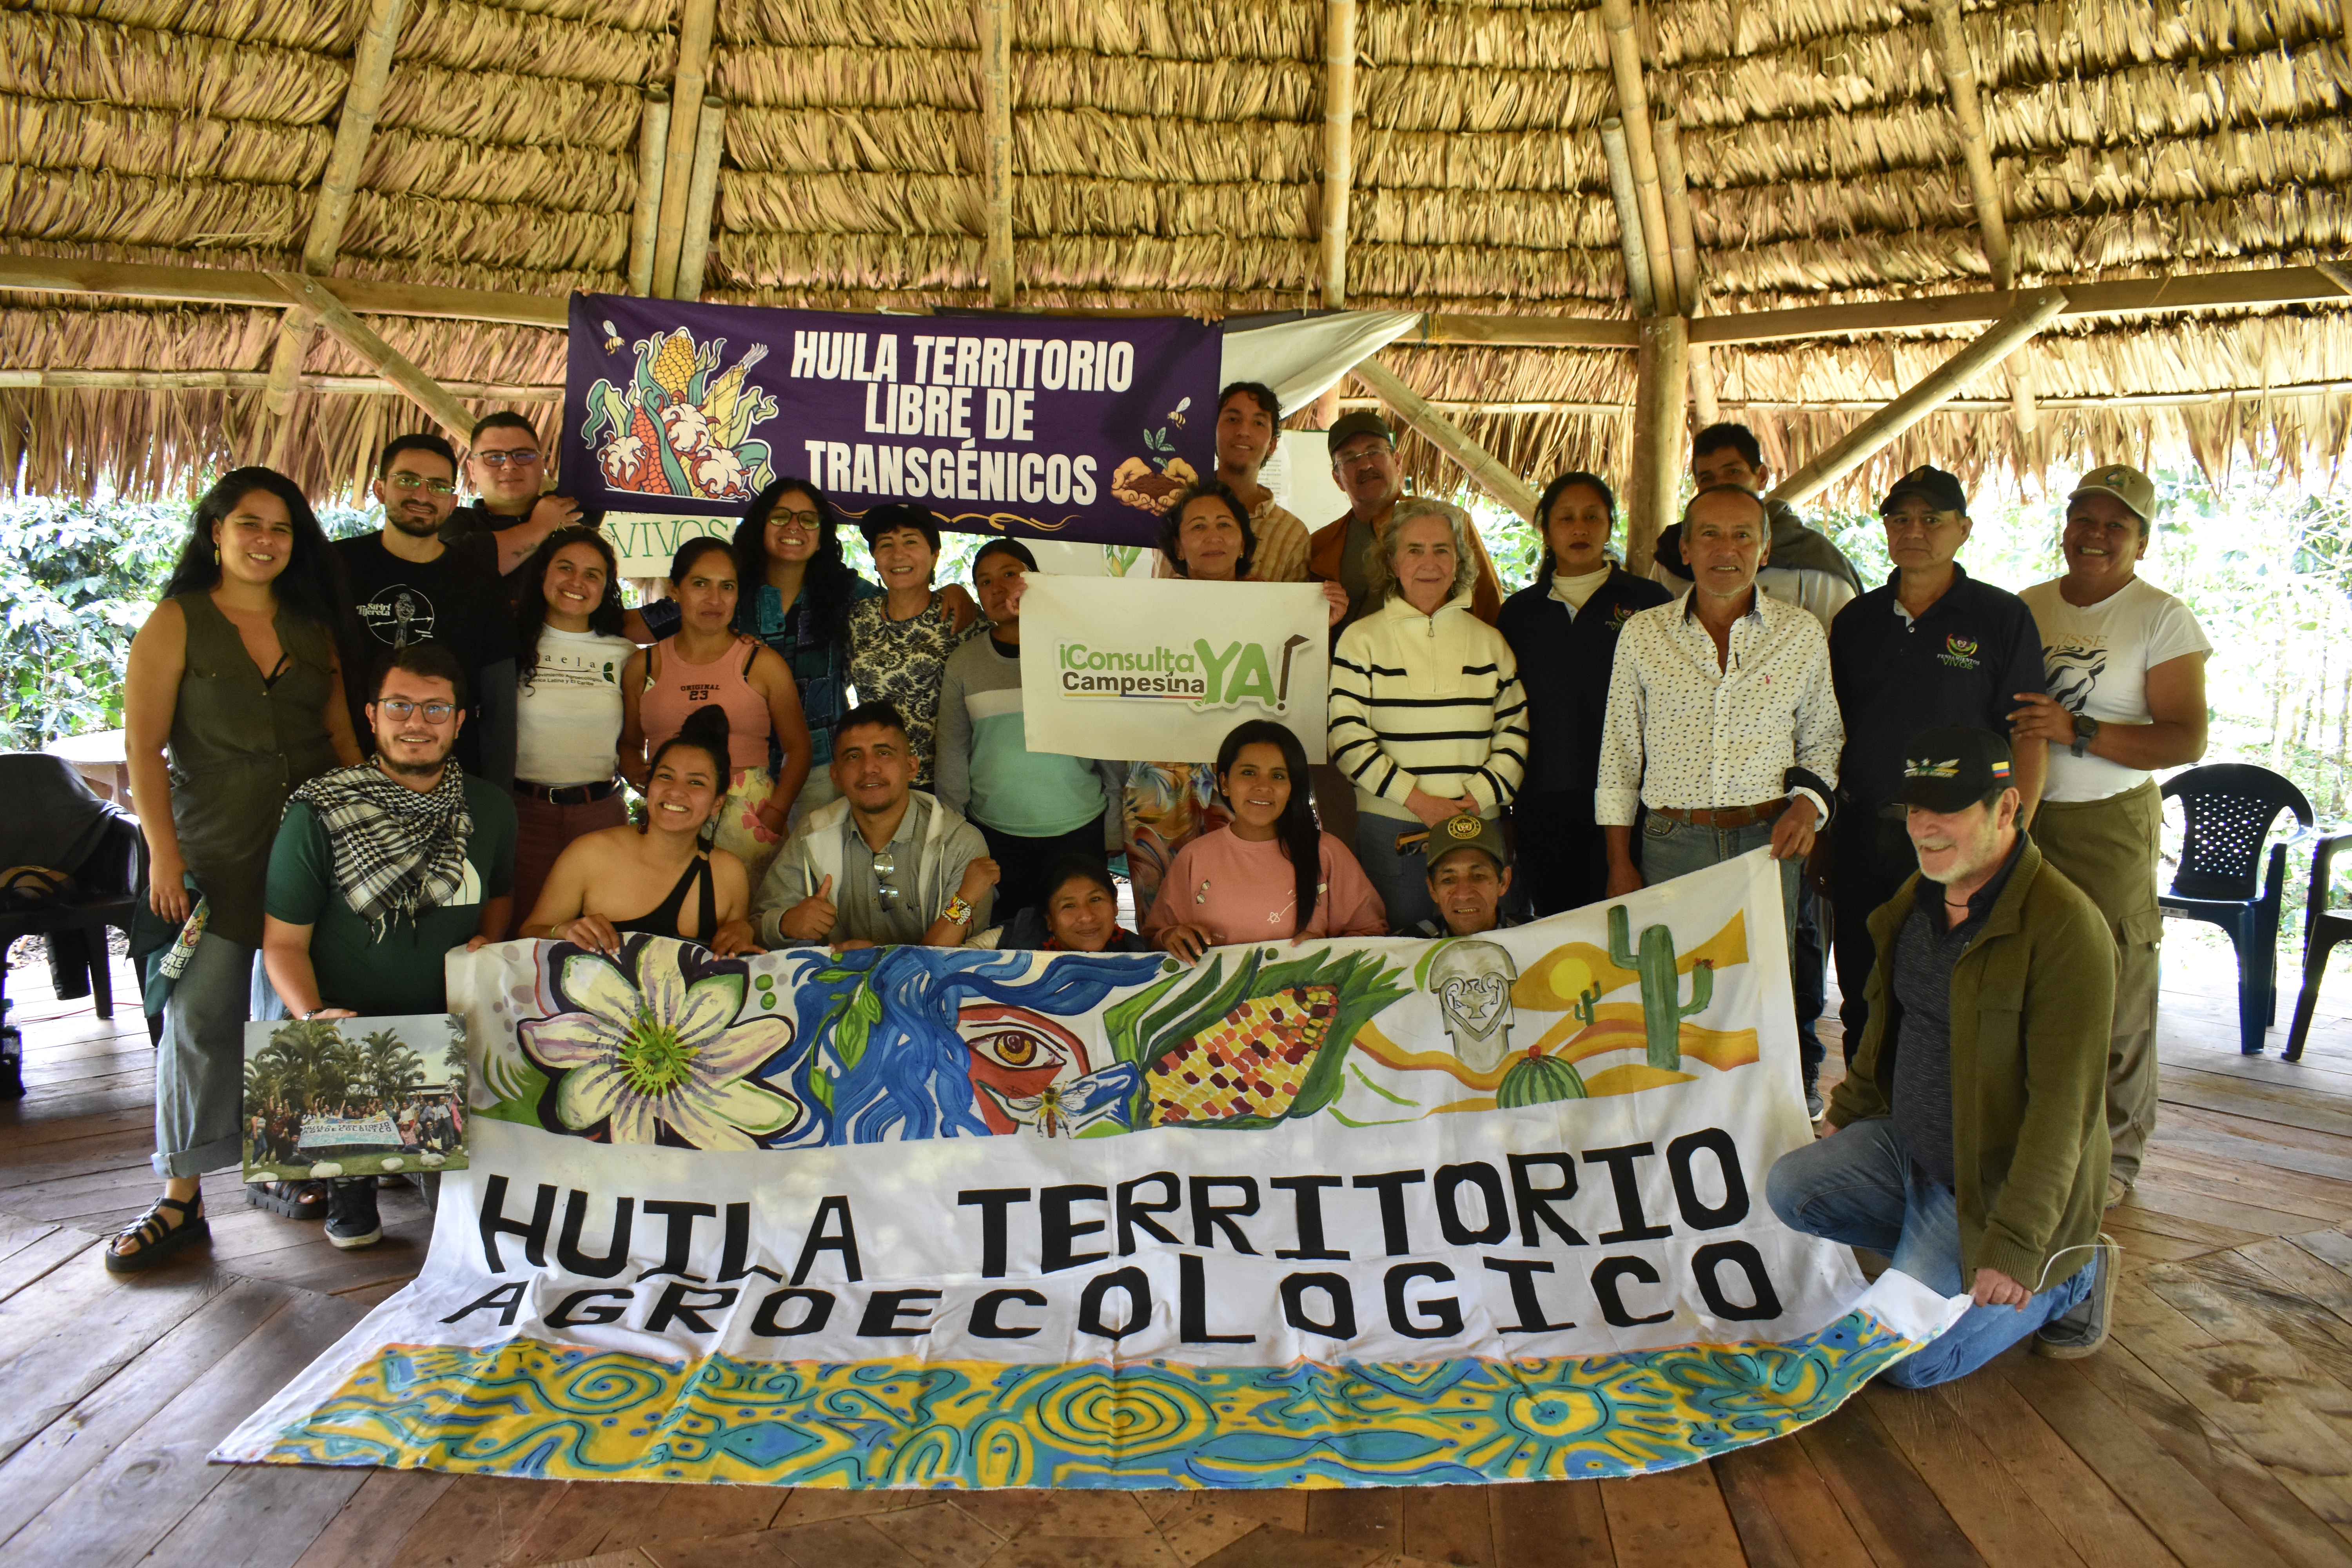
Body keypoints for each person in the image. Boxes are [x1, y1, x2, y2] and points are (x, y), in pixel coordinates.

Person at [1766, 726, 2117, 1386]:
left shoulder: (2068, 930)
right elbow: (1882, 1023)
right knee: (1793, 1187)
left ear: (2007, 809)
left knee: (1913, 1366)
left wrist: (2013, 1247)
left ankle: (2072, 1275)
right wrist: (1853, 1108)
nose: (1924, 827)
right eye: (1917, 809)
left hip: (1992, 1187)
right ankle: (1934, 1258)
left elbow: (2062, 1113)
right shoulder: (1917, 899)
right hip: (1915, 1154)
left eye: (1949, 810)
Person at [109, 468, 364, 1272]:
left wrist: (364, 837)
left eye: (282, 528)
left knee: (308, 1012)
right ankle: (181, 1198)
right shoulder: (177, 621)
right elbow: (141, 748)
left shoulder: (312, 629)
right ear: (214, 531)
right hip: (210, 854)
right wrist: (165, 854)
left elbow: (344, 741)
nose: (265, 539)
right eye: (249, 522)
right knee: (200, 1018)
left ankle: (303, 1173)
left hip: (310, 847)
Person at [261, 642, 517, 1249]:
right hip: (351, 1033)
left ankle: (418, 1156)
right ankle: (353, 1182)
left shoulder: (490, 808)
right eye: (400, 706)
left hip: (449, 1033)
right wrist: (313, 1020)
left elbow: (500, 896)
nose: (416, 723)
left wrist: (493, 940)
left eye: (435, 710)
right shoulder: (319, 812)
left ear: (460, 722)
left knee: (456, 1219)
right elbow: (281, 943)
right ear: (371, 716)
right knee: (357, 1236)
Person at [2011, 464, 2210, 1206]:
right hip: (2025, 817)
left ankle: (2119, 1158)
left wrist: (2078, 730)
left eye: (2115, 525)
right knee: (2030, 980)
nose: (2095, 536)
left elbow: (2184, 738)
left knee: (2119, 985)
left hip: (2111, 822)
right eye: (2084, 520)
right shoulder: (2026, 607)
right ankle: (2041, 1142)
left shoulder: (2161, 616)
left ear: (2142, 540)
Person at [1828, 467, 2049, 1090]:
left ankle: (1942, 1128)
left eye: (1932, 520)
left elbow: (2028, 732)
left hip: (1959, 839)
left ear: (1964, 530)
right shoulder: (1856, 621)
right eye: (1900, 520)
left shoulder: (2001, 618)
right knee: (1862, 980)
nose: (1915, 533)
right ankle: (1866, 1107)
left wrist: (2016, 836)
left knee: (1950, 984)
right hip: (1864, 828)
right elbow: (1829, 731)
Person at [1597, 485, 1842, 966]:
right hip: (1671, 845)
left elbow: (1824, 738)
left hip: (1767, 842)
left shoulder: (1801, 634)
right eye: (1709, 534)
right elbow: (1619, 755)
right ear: (1685, 548)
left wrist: (1808, 808)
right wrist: (1619, 862)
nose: (1726, 550)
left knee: (1764, 999)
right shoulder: (1644, 634)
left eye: (1742, 536)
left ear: (1764, 549)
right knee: (1675, 995)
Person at [1126, 480, 1347, 920]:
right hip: (1161, 778)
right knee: (1164, 905)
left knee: (1252, 892)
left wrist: (1324, 623)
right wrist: (1038, 605)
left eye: (1224, 524)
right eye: (1198, 526)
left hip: (1248, 773)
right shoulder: (1141, 607)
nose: (1213, 536)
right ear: (1179, 545)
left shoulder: (1281, 606)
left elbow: (1300, 688)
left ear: (1244, 541)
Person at [1329, 495, 1527, 933]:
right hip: (1394, 832)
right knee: (1402, 953)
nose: (1429, 562)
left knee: (1484, 951)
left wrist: (1475, 800)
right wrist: (1420, 802)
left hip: (1479, 824)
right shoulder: (1360, 641)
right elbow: (1345, 736)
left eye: (1442, 550)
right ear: (1391, 561)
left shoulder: (1491, 642)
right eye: (1414, 550)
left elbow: (1514, 733)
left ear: (1459, 562)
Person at [643, 479, 881, 825]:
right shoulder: (729, 588)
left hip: (821, 770)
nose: (795, 527)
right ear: (760, 524)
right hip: (737, 770)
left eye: (809, 520)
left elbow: (906, 608)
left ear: (822, 535)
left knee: (811, 873)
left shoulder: (843, 590)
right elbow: (634, 625)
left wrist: (955, 594)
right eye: (781, 516)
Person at [1496, 471, 1672, 915]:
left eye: (1593, 517)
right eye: (1567, 518)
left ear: (1610, 525)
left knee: (1633, 929)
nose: (1580, 528)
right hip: (1544, 803)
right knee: (1562, 932)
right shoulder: (1519, 613)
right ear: (1547, 530)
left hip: (1636, 803)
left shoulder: (1648, 601)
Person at [935, 538, 1125, 921]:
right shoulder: (964, 662)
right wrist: (955, 834)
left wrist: (1113, 828)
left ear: (1035, 580)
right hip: (994, 832)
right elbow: (953, 753)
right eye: (985, 582)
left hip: (1079, 827)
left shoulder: (1080, 650)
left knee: (1081, 934)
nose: (998, 588)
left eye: (1010, 574)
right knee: (1008, 937)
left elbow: (1111, 750)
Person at [622, 537, 812, 892]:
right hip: (671, 815)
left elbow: (799, 749)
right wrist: (646, 782)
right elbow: (629, 745)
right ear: (675, 591)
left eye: (727, 586)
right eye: (700, 584)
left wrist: (776, 814)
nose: (714, 599)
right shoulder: (642, 665)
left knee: (749, 933)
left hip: (750, 823)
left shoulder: (762, 663)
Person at [334, 432, 517, 787]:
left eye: (437, 486)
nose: (422, 495)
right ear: (380, 488)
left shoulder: (480, 583)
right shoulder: (334, 567)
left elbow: (499, 707)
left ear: (453, 501)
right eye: (407, 480)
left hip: (450, 784)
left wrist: (498, 797)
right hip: (345, 778)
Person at [753, 702, 1000, 949]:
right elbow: (753, 928)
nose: (869, 767)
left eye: (884, 753)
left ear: (911, 767)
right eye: (853, 756)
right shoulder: (812, 834)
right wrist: (785, 923)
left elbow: (964, 956)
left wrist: (870, 963)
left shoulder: (960, 844)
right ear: (836, 775)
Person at [523, 706, 760, 955]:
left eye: (696, 782)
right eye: (666, 777)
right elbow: (528, 935)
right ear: (649, 786)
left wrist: (743, 931)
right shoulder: (589, 853)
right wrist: (560, 932)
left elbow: (735, 963)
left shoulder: (728, 873)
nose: (676, 791)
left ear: (717, 803)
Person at [1145, 720, 1387, 961]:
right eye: (1249, 773)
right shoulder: (1194, 857)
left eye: (1279, 776)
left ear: (1293, 788)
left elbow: (1371, 934)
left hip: (1305, 995)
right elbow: (1157, 937)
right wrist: (1172, 937)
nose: (1263, 787)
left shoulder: (1327, 852)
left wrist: (1329, 952)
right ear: (1226, 784)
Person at [508, 526, 638, 924]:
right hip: (521, 814)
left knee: (602, 932)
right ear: (543, 573)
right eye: (565, 568)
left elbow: (634, 740)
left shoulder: (624, 653)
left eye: (592, 574)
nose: (576, 582)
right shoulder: (508, 640)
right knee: (523, 936)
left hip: (598, 814)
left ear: (605, 587)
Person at [1307, 411, 1505, 633]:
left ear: (1397, 461)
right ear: (1338, 478)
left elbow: (1488, 606)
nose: (1365, 465)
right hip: (1349, 664)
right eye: (1350, 458)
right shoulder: (1321, 545)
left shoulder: (1448, 524)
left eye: (1374, 451)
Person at [846, 502, 980, 788]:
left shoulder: (962, 619)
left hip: (948, 782)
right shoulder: (858, 617)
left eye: (911, 541)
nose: (898, 554)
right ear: (874, 558)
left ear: (934, 555)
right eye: (886, 545)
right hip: (875, 779)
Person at [1151, 381, 1311, 583]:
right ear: (1213, 432)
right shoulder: (1173, 510)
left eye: (1259, 423)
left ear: (1272, 445)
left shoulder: (1292, 534)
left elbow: (1295, 612)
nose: (1244, 431)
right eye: (1233, 419)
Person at [439, 412, 591, 593]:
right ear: (472, 470)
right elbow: (458, 572)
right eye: (494, 457)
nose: (509, 465)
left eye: (523, 455)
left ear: (541, 464)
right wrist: (540, 526)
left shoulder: (568, 507)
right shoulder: (452, 522)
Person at [974, 853, 1152, 953]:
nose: (1086, 916)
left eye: (1095, 900)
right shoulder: (1016, 937)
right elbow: (948, 963)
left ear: (1115, 902)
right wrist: (965, 899)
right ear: (1049, 919)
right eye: (1069, 906)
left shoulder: (1137, 953)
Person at [1409, 813, 1521, 939]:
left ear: (1504, 882)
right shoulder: (1404, 951)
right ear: (1432, 889)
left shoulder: (1540, 942)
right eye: (1448, 880)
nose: (1464, 894)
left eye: (1478, 876)